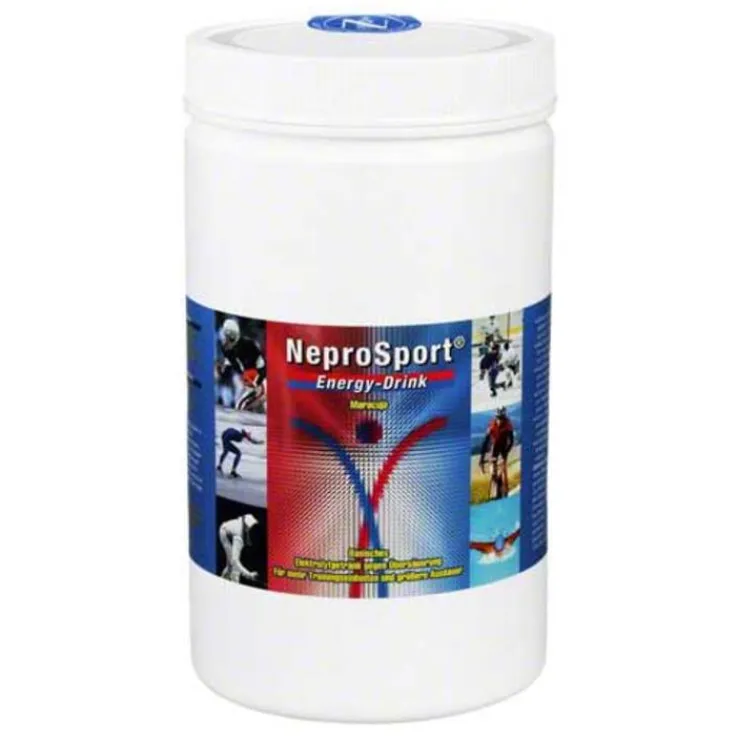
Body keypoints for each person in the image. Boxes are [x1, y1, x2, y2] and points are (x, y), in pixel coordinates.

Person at [216, 318, 266, 410]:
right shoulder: (227, 350)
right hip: (246, 381)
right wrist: (222, 369)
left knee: (244, 405)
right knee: (239, 405)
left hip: (259, 379)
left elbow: (262, 367)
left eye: (229, 338)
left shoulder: (249, 345)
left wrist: (257, 382)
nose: (226, 342)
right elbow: (230, 366)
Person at [479, 407, 515, 498]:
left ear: (505, 417)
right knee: (493, 471)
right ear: (495, 417)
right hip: (494, 448)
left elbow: (511, 441)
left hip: (504, 448)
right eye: (498, 418)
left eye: (502, 418)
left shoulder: (508, 424)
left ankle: (505, 491)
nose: (500, 420)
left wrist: (506, 453)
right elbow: (485, 442)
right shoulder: (492, 424)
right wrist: (481, 459)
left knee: (503, 470)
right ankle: (494, 491)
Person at [219, 513, 259, 583]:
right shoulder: (239, 535)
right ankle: (234, 584)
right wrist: (248, 574)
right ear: (246, 527)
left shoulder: (243, 527)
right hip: (224, 533)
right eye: (249, 527)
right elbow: (235, 561)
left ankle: (221, 581)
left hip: (229, 531)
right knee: (234, 566)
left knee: (231, 565)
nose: (250, 529)